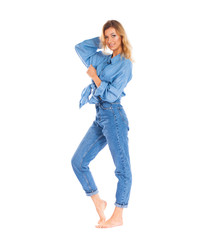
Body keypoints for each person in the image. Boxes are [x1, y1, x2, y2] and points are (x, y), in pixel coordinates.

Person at [71, 20, 134, 228]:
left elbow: (112, 94)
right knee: (78, 161)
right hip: (100, 117)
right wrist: (102, 40)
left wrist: (96, 78)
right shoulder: (103, 59)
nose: (110, 40)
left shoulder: (125, 64)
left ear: (122, 36)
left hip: (114, 116)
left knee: (122, 168)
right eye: (107, 37)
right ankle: (98, 201)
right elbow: (80, 48)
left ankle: (118, 215)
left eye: (114, 35)